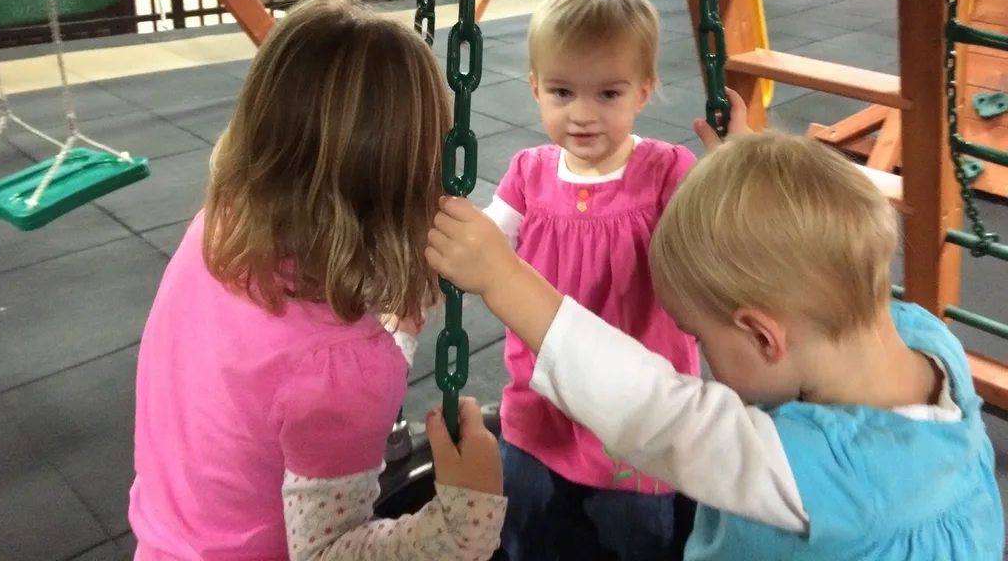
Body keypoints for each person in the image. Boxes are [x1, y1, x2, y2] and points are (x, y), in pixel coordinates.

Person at [427, 117, 1004, 560]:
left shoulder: (804, 474)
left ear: (762, 334)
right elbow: (804, 252)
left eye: (699, 338)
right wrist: (756, 196)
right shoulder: (926, 339)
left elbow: (654, 408)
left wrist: (505, 278)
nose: (699, 359)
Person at [129, 0, 506, 561]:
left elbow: (292, 377)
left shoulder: (218, 233)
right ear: (413, 190)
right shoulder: (342, 371)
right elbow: (328, 552)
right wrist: (465, 522)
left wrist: (389, 335)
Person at [481, 0, 699, 559]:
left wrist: (738, 173)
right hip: (541, 392)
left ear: (644, 91)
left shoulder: (666, 172)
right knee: (519, 504)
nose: (581, 114)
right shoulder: (529, 173)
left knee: (636, 526)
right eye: (561, 91)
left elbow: (716, 238)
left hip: (636, 402)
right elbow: (484, 241)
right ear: (534, 89)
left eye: (607, 93)